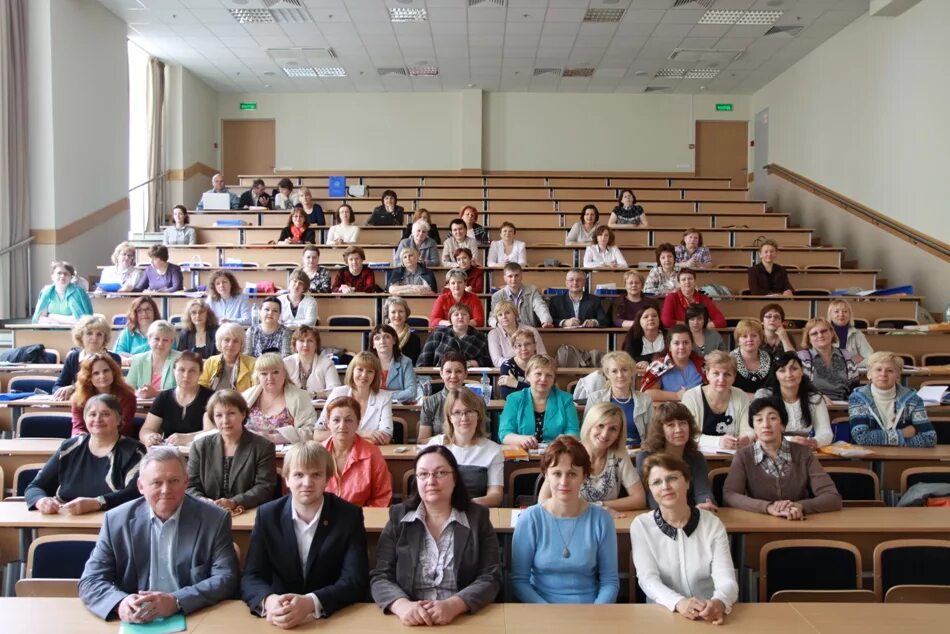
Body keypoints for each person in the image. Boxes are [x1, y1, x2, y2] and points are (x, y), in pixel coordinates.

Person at [78, 446, 240, 621]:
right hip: (137, 618)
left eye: (174, 481)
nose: (166, 490)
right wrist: (120, 603)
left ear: (186, 482)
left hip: (194, 615)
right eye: (157, 482)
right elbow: (91, 580)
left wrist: (176, 600)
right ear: (141, 486)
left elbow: (226, 578)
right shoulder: (116, 520)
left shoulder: (214, 519)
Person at [241, 441, 369, 626]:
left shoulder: (349, 516)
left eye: (316, 474)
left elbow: (355, 580)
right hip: (278, 616)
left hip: (333, 618)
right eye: (299, 474)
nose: (307, 483)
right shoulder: (267, 515)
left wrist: (310, 603)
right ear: (286, 478)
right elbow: (252, 576)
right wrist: (270, 602)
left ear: (327, 478)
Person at [371, 445, 502, 625]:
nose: (431, 481)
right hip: (409, 621)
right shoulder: (398, 517)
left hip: (462, 620)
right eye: (423, 474)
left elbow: (491, 576)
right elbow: (380, 576)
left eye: (440, 473)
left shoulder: (477, 518)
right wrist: (402, 606)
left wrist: (454, 605)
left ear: (454, 478)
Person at [631, 453, 737, 623]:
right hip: (663, 614)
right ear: (650, 489)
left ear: (687, 482)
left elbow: (727, 579)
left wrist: (720, 602)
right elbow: (647, 579)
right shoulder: (641, 525)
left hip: (707, 614)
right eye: (657, 482)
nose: (665, 486)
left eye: (672, 478)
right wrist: (678, 602)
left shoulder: (712, 524)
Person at [512, 436, 619, 604]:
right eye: (556, 473)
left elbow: (610, 582)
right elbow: (519, 582)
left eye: (572, 474)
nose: (564, 482)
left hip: (590, 611)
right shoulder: (530, 519)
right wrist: (550, 615)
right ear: (546, 474)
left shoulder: (601, 519)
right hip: (541, 612)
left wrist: (596, 613)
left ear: (584, 476)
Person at [724, 397, 843, 518]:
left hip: (800, 522)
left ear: (783, 425)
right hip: (759, 525)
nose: (765, 425)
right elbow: (730, 495)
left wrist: (799, 506)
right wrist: (768, 507)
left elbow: (832, 497)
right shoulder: (743, 456)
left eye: (772, 418)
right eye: (759, 420)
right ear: (753, 428)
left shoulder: (803, 453)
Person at [27, 394, 144, 514]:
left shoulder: (134, 451)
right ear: (85, 418)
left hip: (112, 522)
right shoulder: (68, 448)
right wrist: (41, 501)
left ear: (119, 419)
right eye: (92, 414)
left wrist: (97, 503)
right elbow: (35, 487)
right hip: (65, 520)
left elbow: (135, 492)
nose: (98, 419)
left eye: (105, 414)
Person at [540, 402, 646, 512]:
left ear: (619, 433)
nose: (605, 434)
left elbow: (639, 499)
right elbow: (543, 501)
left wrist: (598, 506)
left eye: (613, 429)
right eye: (600, 426)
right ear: (589, 425)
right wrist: (591, 508)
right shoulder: (568, 452)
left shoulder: (619, 455)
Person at [187, 389, 278, 510]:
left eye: (231, 413)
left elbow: (265, 487)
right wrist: (204, 501)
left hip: (247, 512)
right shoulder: (199, 447)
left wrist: (234, 502)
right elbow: (190, 486)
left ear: (243, 414)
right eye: (219, 415)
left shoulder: (263, 447)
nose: (225, 421)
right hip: (206, 513)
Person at [426, 390, 504, 507]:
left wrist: (467, 504)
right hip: (438, 510)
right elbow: (424, 487)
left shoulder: (493, 450)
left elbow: (496, 495)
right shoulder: (436, 445)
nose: (464, 418)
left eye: (469, 411)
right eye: (457, 413)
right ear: (449, 418)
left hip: (475, 512)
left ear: (479, 415)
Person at [636, 403, 715, 510]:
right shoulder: (646, 457)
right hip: (659, 515)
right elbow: (653, 500)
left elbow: (703, 491)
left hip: (691, 513)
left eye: (683, 423)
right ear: (661, 430)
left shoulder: (696, 457)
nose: (678, 430)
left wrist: (706, 502)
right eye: (670, 425)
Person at [849, 351, 937, 447]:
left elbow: (930, 438)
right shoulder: (857, 398)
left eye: (890, 370)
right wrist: (902, 434)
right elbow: (861, 437)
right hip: (868, 458)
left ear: (898, 375)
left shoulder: (913, 399)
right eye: (878, 369)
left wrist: (888, 442)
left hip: (902, 458)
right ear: (869, 374)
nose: (883, 374)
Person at [320, 396, 393, 506]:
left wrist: (359, 518)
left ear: (358, 424)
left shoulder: (372, 454)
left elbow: (381, 497)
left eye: (349, 420)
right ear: (328, 424)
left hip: (361, 519)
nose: (342, 426)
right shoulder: (317, 454)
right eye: (336, 420)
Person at [755, 351, 833, 448]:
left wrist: (814, 442)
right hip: (772, 450)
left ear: (802, 371)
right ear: (776, 375)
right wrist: (791, 440)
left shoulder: (815, 398)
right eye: (782, 370)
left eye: (794, 369)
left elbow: (826, 433)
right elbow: (757, 432)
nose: (789, 375)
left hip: (804, 450)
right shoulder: (764, 396)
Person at [499, 354, 579, 449]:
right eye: (538, 374)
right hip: (522, 457)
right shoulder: (514, 399)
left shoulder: (566, 399)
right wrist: (521, 439)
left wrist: (565, 439)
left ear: (554, 380)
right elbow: (504, 434)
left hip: (556, 455)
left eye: (549, 375)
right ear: (528, 376)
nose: (543, 379)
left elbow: (574, 431)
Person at [316, 353, 394, 445]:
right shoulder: (338, 393)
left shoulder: (384, 397)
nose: (364, 375)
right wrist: (363, 434)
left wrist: (343, 436)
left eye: (370, 371)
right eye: (360, 370)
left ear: (375, 375)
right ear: (352, 371)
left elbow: (385, 437)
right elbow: (318, 434)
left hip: (369, 454)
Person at [140, 352, 214, 448]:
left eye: (192, 371)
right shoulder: (163, 397)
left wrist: (188, 437)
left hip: (201, 452)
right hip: (168, 453)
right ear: (174, 371)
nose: (186, 375)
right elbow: (147, 429)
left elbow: (214, 432)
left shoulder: (212, 398)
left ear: (200, 373)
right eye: (181, 370)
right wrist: (149, 437)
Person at [681, 350, 751, 451]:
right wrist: (718, 442)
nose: (721, 379)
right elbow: (689, 435)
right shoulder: (691, 397)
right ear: (707, 374)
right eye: (716, 373)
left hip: (732, 459)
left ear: (734, 377)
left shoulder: (741, 396)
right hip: (697, 456)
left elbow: (748, 429)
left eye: (727, 374)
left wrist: (746, 439)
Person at [242, 353, 318, 444]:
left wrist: (272, 438)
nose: (270, 378)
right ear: (257, 376)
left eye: (275, 372)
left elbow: (310, 431)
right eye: (264, 374)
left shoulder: (300, 397)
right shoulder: (246, 396)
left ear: (284, 373)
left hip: (288, 455)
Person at [585, 352, 652, 446]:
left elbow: (651, 435)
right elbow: (587, 433)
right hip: (605, 450)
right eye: (614, 371)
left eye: (624, 370)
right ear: (607, 374)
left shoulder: (645, 400)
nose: (620, 375)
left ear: (632, 372)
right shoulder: (595, 399)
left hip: (637, 452)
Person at [52, 316, 121, 400]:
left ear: (104, 338)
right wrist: (63, 391)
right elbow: (57, 387)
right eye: (89, 333)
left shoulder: (114, 358)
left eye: (99, 334)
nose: (94, 338)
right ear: (81, 336)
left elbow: (113, 388)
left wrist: (73, 388)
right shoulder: (73, 357)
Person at [70, 353, 137, 437]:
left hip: (118, 442)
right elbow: (78, 427)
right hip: (87, 442)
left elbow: (124, 428)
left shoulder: (127, 396)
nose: (102, 376)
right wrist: (81, 438)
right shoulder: (79, 399)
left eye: (106, 371)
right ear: (88, 377)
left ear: (113, 372)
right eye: (96, 373)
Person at [797, 317, 859, 400]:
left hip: (843, 407)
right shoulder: (802, 357)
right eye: (814, 333)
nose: (820, 335)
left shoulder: (846, 355)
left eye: (824, 331)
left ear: (832, 333)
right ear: (809, 339)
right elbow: (797, 389)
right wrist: (816, 397)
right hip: (813, 403)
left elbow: (854, 387)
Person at [641, 325, 706, 403]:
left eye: (686, 342)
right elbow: (648, 394)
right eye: (676, 343)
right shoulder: (658, 366)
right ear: (669, 346)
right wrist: (677, 395)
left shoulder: (702, 364)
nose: (681, 347)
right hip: (669, 412)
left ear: (692, 345)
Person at [417, 303, 492, 368]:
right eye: (456, 314)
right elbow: (423, 362)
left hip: (472, 378)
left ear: (470, 318)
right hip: (439, 377)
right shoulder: (438, 334)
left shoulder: (481, 337)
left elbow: (488, 361)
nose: (460, 317)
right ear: (450, 319)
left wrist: (470, 363)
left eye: (464, 314)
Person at [417, 352, 469, 443]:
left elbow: (485, 437)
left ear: (466, 374)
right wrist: (444, 440)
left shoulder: (477, 402)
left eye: (458, 371)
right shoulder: (429, 403)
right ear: (441, 373)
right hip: (440, 451)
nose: (453, 376)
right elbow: (422, 441)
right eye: (448, 371)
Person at [488, 262, 553, 328]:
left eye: (516, 275)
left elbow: (540, 306)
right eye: (510, 276)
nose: (513, 279)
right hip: (507, 332)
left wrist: (546, 320)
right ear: (505, 278)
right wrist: (498, 325)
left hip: (528, 331)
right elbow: (492, 317)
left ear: (521, 276)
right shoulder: (497, 296)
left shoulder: (532, 290)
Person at [127, 320, 181, 398]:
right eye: (156, 339)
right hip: (143, 407)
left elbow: (184, 389)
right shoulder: (138, 359)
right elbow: (128, 388)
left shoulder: (180, 359)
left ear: (171, 342)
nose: (160, 344)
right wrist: (138, 393)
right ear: (149, 339)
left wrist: (156, 393)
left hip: (171, 407)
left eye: (165, 340)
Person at [283, 325, 341, 399]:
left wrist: (314, 395)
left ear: (316, 345)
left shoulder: (327, 364)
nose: (305, 345)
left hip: (319, 409)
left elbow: (335, 391)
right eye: (301, 340)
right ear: (295, 344)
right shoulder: (286, 363)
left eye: (310, 341)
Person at [199, 322, 256, 392]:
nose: (230, 345)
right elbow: (201, 388)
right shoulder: (210, 362)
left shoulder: (253, 364)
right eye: (227, 340)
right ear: (220, 342)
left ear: (241, 344)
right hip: (212, 401)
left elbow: (254, 392)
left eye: (235, 341)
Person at [661, 268, 726, 329]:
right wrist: (690, 325)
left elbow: (721, 321)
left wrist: (700, 326)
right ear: (679, 283)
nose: (687, 282)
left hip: (700, 334)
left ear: (695, 281)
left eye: (690, 279)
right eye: (683, 279)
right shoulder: (671, 298)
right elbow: (666, 321)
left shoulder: (704, 298)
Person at [488, 299, 546, 367]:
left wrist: (530, 367)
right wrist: (518, 364)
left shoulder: (531, 331)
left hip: (532, 369)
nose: (504, 317)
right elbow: (497, 361)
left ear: (515, 314)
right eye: (500, 315)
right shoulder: (493, 334)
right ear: (497, 318)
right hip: (508, 371)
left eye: (507, 313)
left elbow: (543, 356)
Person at [370, 324, 418, 404]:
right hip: (372, 405)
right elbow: (362, 391)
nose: (382, 341)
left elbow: (412, 392)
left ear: (394, 340)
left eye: (387, 337)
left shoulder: (405, 362)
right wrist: (398, 393)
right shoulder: (367, 362)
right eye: (377, 338)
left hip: (398, 408)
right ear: (373, 344)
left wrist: (384, 395)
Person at [730, 319, 772, 394]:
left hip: (765, 403)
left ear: (760, 339)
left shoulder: (770, 358)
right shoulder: (729, 360)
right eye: (744, 336)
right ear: (738, 340)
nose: (749, 339)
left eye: (754, 336)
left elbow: (773, 388)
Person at [828, 298, 874, 365]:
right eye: (836, 311)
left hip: (852, 374)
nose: (841, 314)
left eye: (845, 311)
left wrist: (852, 363)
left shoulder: (857, 334)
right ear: (830, 315)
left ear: (850, 315)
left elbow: (872, 359)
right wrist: (850, 361)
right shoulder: (822, 334)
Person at [497, 329, 538, 398]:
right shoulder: (507, 366)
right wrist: (532, 389)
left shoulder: (542, 364)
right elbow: (507, 395)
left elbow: (546, 391)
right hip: (516, 406)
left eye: (527, 344)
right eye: (519, 345)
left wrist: (516, 384)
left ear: (534, 346)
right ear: (514, 348)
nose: (523, 348)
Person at [384, 296, 422, 364]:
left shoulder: (414, 338)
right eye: (393, 312)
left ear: (406, 314)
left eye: (401, 311)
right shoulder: (379, 336)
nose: (397, 315)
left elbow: (412, 363)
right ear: (388, 315)